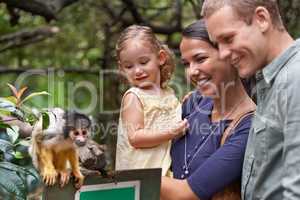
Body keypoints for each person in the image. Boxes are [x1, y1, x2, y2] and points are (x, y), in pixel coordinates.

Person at [201, 0, 300, 199]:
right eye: (217, 44)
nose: (223, 54)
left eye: (228, 39)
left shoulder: (295, 78)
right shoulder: (269, 81)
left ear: (262, 19)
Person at [160, 20, 256, 200]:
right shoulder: (193, 103)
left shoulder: (249, 126)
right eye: (186, 64)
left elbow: (185, 194)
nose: (192, 72)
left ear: (230, 55)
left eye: (200, 59)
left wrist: (127, 174)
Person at [115, 25, 188, 176]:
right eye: (129, 66)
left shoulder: (169, 94)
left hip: (166, 171)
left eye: (143, 62)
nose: (137, 71)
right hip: (142, 173)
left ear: (160, 58)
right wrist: (170, 133)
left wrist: (186, 103)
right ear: (122, 69)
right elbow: (135, 138)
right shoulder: (134, 96)